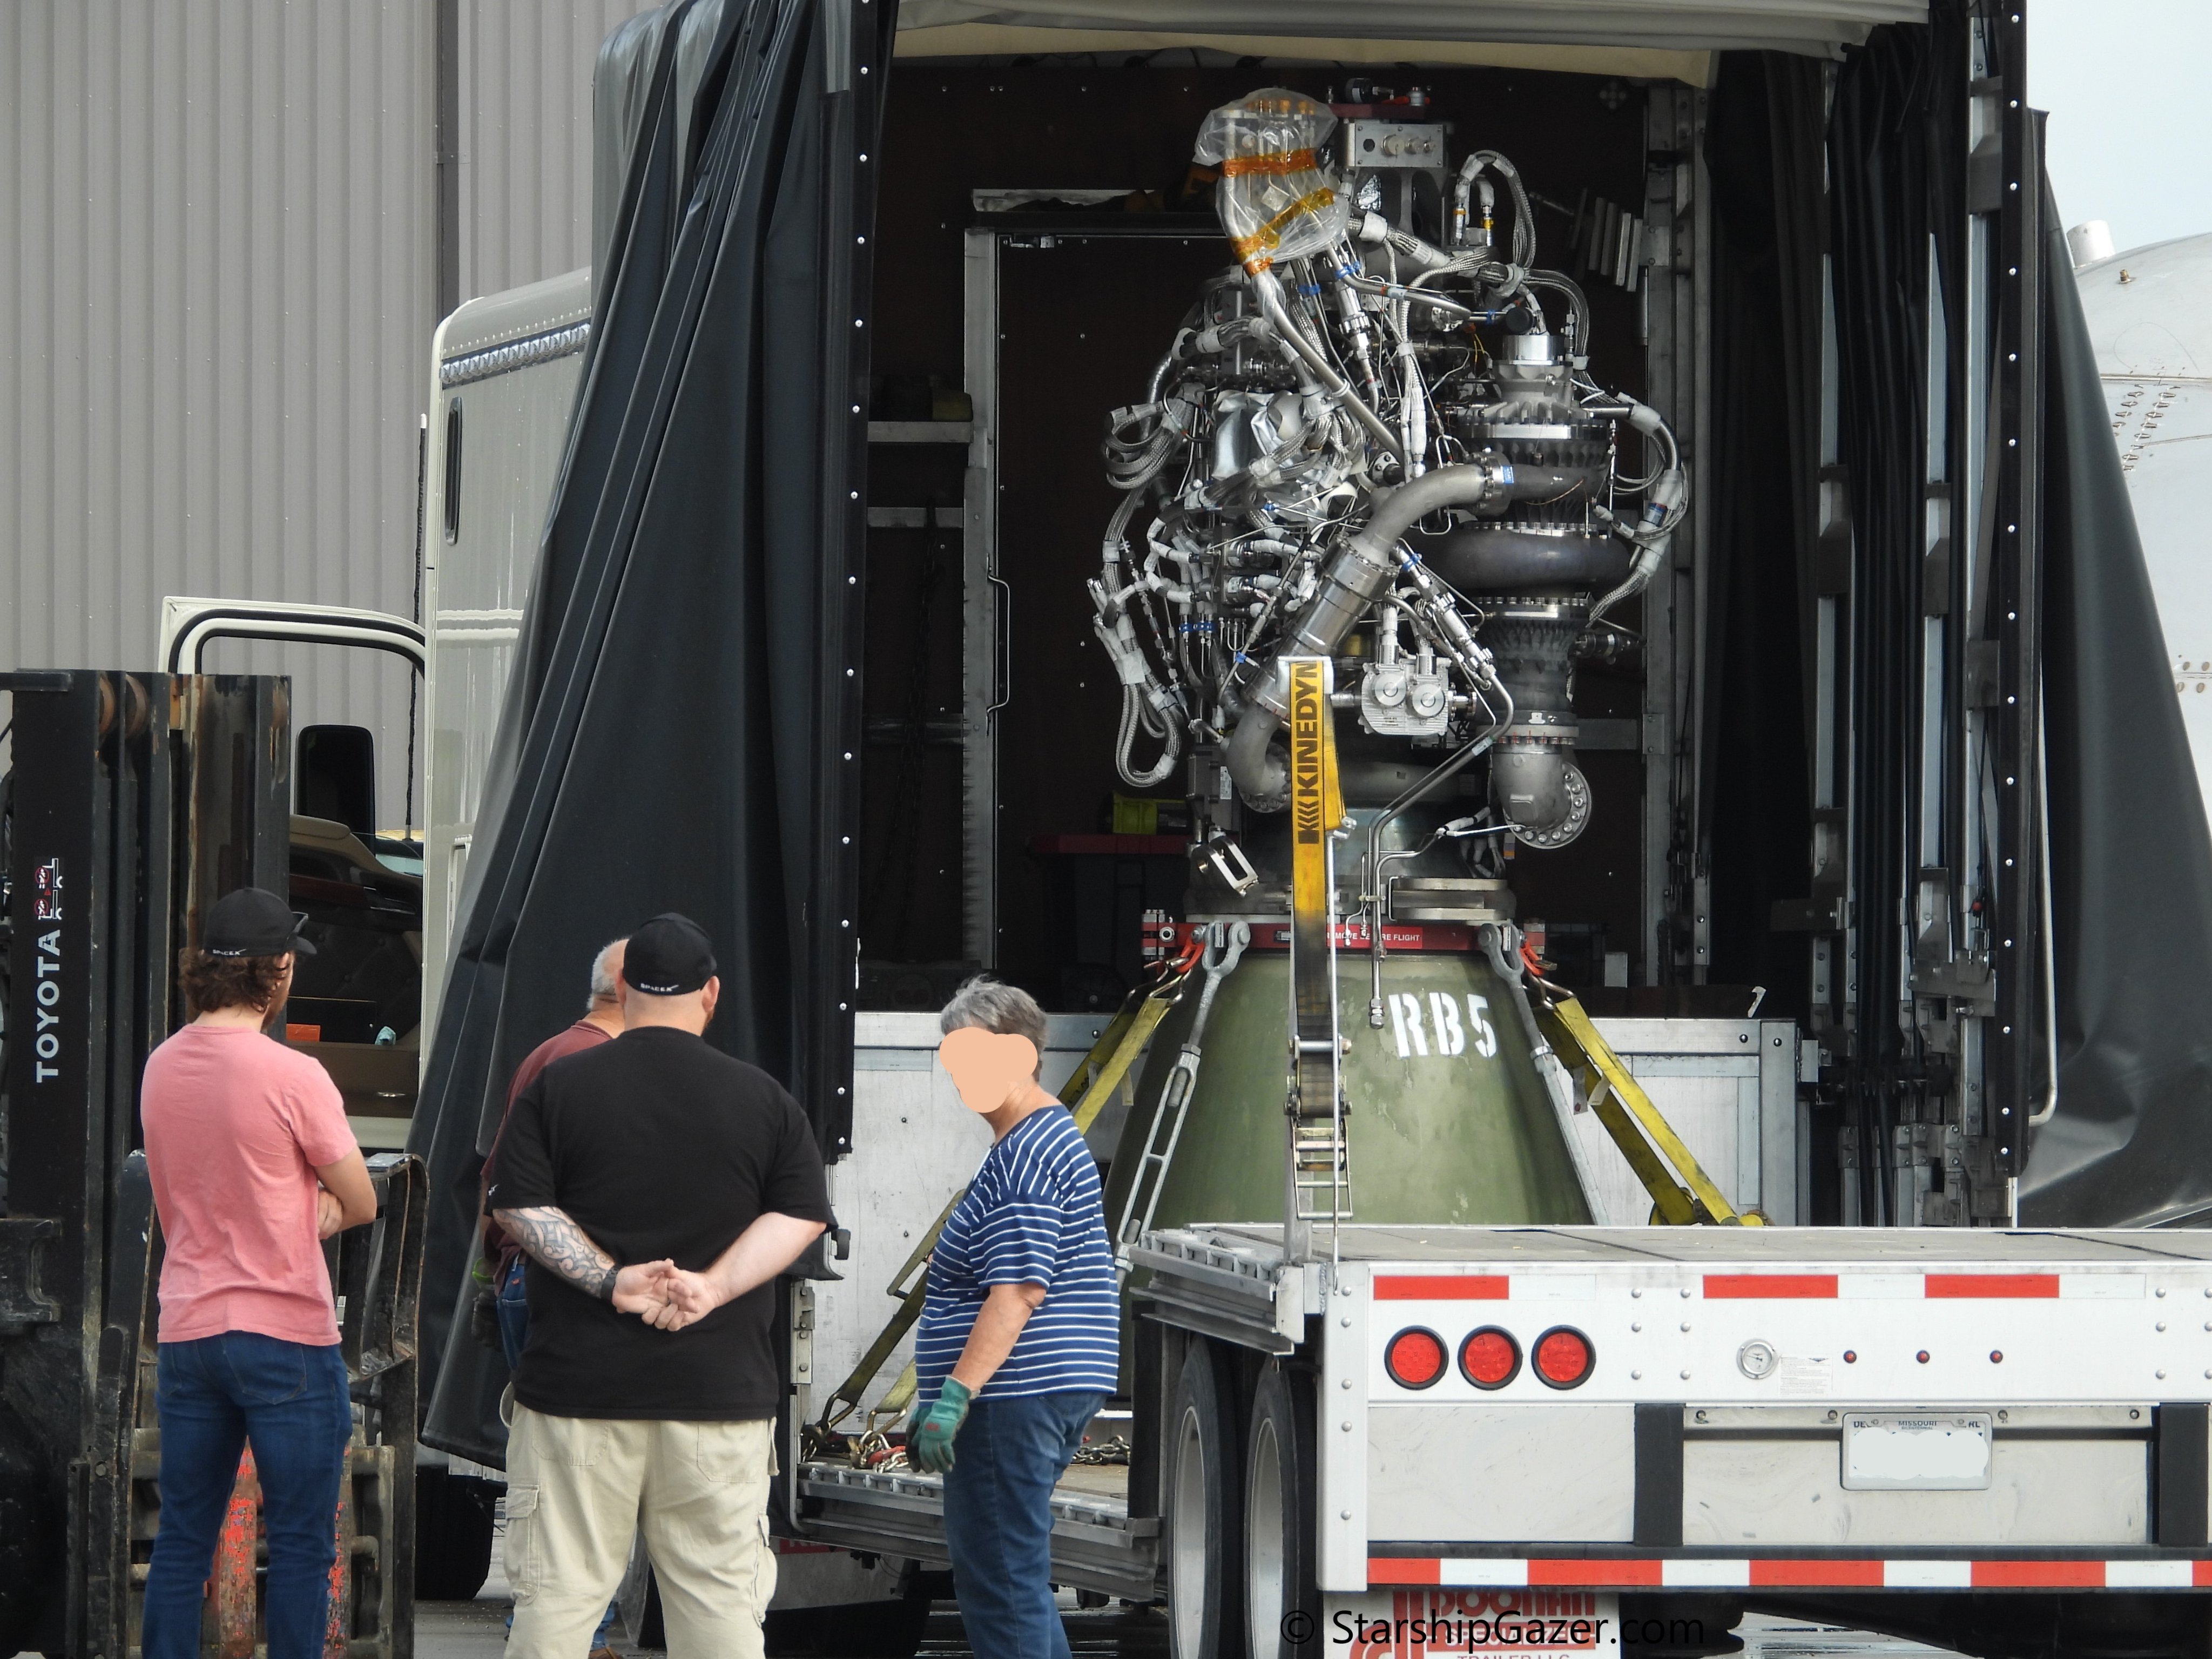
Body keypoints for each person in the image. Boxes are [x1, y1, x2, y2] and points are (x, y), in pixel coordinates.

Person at [488, 912, 834, 1659]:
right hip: (718, 1399)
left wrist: (611, 1281)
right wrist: (711, 1288)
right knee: (720, 1613)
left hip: (578, 1399)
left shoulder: (558, 1086)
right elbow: (802, 1214)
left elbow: (517, 1205)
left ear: (621, 989)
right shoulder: (764, 1099)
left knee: (556, 1607)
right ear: (712, 994)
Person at [138, 886, 380, 1659]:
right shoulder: (293, 1075)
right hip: (283, 1333)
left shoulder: (160, 1067)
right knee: (303, 1542)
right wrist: (312, 1210)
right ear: (278, 971)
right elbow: (362, 1200)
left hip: (189, 1330)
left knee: (184, 1539)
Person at [908, 977, 1121, 1659]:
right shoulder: (1036, 1140)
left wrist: (953, 1397)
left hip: (1012, 1395)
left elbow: (1017, 1292)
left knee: (1001, 1582)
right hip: (1028, 1390)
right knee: (1013, 1576)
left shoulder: (1025, 1156)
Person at [477, 936, 627, 1658]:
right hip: (563, 1287)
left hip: (527, 1279)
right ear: (631, 989)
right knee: (582, 1477)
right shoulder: (592, 1064)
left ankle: (560, 1630)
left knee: (560, 1470)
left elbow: (499, 1179)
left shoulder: (551, 1053)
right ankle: (574, 1637)